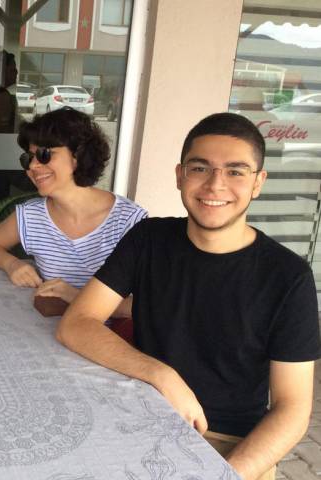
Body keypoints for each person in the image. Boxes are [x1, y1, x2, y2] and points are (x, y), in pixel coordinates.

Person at [56, 112, 320, 480]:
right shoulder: (148, 239)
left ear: (258, 182)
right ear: (180, 175)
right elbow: (76, 324)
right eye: (200, 168)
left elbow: (292, 410)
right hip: (140, 417)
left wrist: (224, 475)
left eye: (235, 171)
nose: (215, 185)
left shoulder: (288, 276)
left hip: (229, 442)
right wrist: (163, 376)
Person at [0, 107, 146, 313]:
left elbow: (149, 305)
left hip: (106, 332)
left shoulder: (128, 221)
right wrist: (12, 264)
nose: (33, 166)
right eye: (28, 158)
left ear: (78, 156)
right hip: (47, 327)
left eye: (44, 154)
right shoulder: (32, 216)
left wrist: (75, 296)